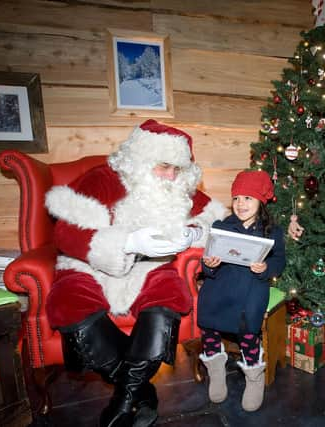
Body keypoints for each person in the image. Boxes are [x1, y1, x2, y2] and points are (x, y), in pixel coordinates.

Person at [44, 119, 227, 427]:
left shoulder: (181, 189)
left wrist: (194, 234)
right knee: (69, 303)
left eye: (177, 169)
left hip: (151, 268)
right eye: (163, 166)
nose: (170, 176)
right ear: (141, 159)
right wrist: (127, 242)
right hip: (90, 266)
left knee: (169, 296)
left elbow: (218, 221)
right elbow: (65, 233)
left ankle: (125, 398)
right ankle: (140, 391)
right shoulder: (102, 179)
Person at [196, 170, 286, 412]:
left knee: (248, 327)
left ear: (260, 202)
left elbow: (280, 260)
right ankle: (215, 369)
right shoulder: (222, 226)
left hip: (252, 285)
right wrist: (209, 264)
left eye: (248, 198)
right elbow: (207, 259)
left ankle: (254, 375)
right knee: (207, 314)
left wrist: (266, 268)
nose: (241, 204)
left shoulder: (272, 231)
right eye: (236, 198)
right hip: (221, 281)